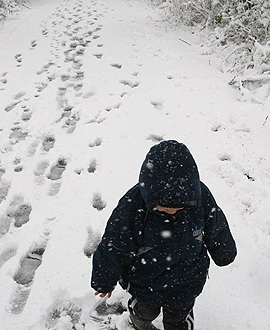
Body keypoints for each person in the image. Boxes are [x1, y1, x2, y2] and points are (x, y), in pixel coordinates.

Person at [91, 140, 237, 330]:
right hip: (145, 282)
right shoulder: (132, 206)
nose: (171, 212)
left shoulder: (201, 197)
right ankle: (139, 321)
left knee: (179, 319)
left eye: (178, 208)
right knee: (145, 312)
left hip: (187, 280)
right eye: (164, 207)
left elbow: (215, 224)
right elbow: (115, 245)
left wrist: (223, 251)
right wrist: (104, 280)